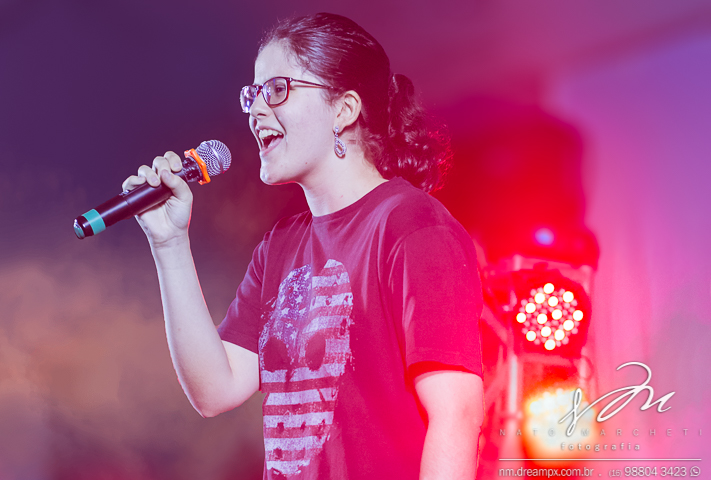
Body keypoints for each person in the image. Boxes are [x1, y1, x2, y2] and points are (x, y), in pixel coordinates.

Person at [123, 12, 484, 480]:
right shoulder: (279, 247)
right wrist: (169, 243)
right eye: (252, 94)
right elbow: (214, 390)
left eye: (277, 89)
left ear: (344, 109)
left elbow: (456, 415)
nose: (256, 110)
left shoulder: (412, 226)